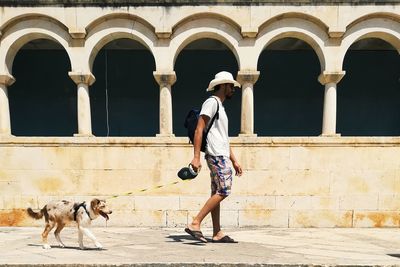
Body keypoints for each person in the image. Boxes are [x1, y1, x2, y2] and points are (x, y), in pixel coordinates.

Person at [184, 71, 243, 243]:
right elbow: (199, 129)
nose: (233, 89)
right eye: (231, 86)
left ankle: (217, 232)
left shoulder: (220, 107)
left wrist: (234, 160)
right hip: (216, 154)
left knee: (216, 192)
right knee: (224, 190)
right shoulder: (211, 102)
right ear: (223, 86)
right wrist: (196, 157)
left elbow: (223, 137)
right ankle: (196, 223)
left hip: (221, 154)